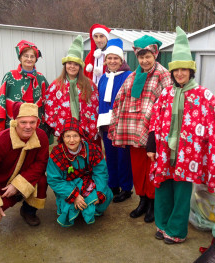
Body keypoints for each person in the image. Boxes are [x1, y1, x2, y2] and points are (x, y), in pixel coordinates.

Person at [146, 27, 215, 244]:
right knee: (162, 188)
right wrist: (151, 144)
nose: (180, 74)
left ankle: (176, 231)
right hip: (165, 151)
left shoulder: (202, 95)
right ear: (172, 71)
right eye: (176, 70)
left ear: (191, 71)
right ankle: (162, 225)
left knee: (181, 193)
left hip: (188, 156)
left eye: (184, 70)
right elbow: (154, 119)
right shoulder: (166, 93)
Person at [108, 35, 172, 223]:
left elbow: (168, 103)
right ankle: (142, 200)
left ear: (155, 55)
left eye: (148, 57)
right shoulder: (133, 76)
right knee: (137, 168)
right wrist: (116, 126)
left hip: (154, 133)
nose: (144, 61)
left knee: (152, 168)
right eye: (141, 57)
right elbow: (121, 100)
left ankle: (152, 204)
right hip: (134, 131)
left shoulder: (163, 75)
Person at [0, 102, 49, 226]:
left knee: (42, 181)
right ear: (15, 122)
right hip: (3, 182)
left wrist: (19, 185)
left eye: (32, 122)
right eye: (23, 122)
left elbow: (41, 163)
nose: (28, 126)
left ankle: (28, 211)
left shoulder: (41, 137)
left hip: (27, 178)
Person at [46, 118, 113, 227]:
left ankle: (90, 209)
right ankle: (78, 209)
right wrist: (74, 196)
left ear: (81, 136)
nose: (71, 140)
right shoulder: (56, 153)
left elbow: (101, 173)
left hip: (88, 183)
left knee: (106, 196)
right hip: (68, 186)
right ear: (62, 137)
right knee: (69, 207)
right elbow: (54, 180)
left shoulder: (93, 149)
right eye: (67, 136)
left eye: (75, 136)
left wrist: (99, 193)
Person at [44, 35, 99, 145]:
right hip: (65, 130)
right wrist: (56, 126)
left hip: (84, 129)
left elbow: (94, 107)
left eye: (76, 64)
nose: (72, 67)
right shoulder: (56, 85)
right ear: (65, 65)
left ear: (80, 67)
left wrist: (91, 126)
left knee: (83, 157)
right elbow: (50, 108)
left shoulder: (89, 85)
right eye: (69, 63)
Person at [97, 39, 133, 203]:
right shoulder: (103, 78)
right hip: (106, 124)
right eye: (109, 58)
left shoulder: (128, 76)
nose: (112, 61)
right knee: (110, 156)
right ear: (105, 60)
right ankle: (113, 185)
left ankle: (126, 188)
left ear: (121, 60)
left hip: (121, 124)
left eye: (115, 58)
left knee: (123, 157)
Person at [0, 40, 50, 138]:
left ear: (36, 59)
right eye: (26, 56)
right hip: (14, 123)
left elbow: (48, 101)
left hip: (36, 124)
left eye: (32, 56)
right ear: (20, 58)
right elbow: (1, 100)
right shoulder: (10, 76)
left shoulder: (41, 78)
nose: (29, 59)